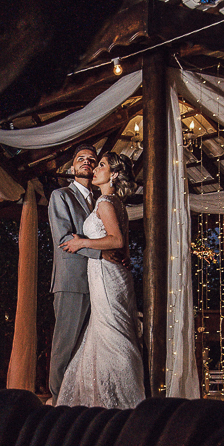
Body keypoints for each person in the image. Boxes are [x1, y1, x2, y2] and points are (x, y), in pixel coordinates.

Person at [55, 152, 145, 409]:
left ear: (114, 174)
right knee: (110, 331)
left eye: (102, 165)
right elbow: (123, 246)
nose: (95, 168)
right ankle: (106, 395)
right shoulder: (114, 202)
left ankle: (120, 398)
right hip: (112, 273)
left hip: (106, 274)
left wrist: (81, 241)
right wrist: (124, 259)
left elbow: (116, 241)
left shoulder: (105, 201)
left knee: (112, 333)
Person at [47, 143, 100, 401]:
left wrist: (87, 241)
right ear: (72, 166)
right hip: (71, 281)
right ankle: (58, 401)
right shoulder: (61, 196)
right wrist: (102, 251)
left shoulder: (100, 201)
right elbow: (65, 239)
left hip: (99, 282)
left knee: (88, 348)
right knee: (65, 346)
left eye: (92, 159)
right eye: (81, 158)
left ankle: (78, 398)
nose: (86, 162)